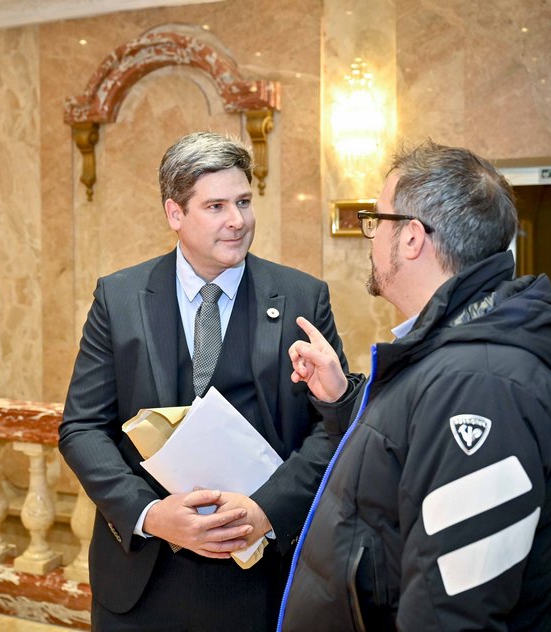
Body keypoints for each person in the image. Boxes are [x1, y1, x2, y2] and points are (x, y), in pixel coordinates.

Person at [279, 141, 551, 631]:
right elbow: (409, 463)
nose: (370, 239)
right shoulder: (455, 350)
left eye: (376, 220)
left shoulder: (481, 385)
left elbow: (454, 612)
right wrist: (343, 402)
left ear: (411, 237)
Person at [59, 131, 348, 631]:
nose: (238, 220)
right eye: (216, 206)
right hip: (143, 583)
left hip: (263, 583)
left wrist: (267, 509)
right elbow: (81, 428)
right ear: (175, 214)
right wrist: (150, 513)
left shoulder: (303, 298)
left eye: (244, 202)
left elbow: (332, 426)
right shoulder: (119, 298)